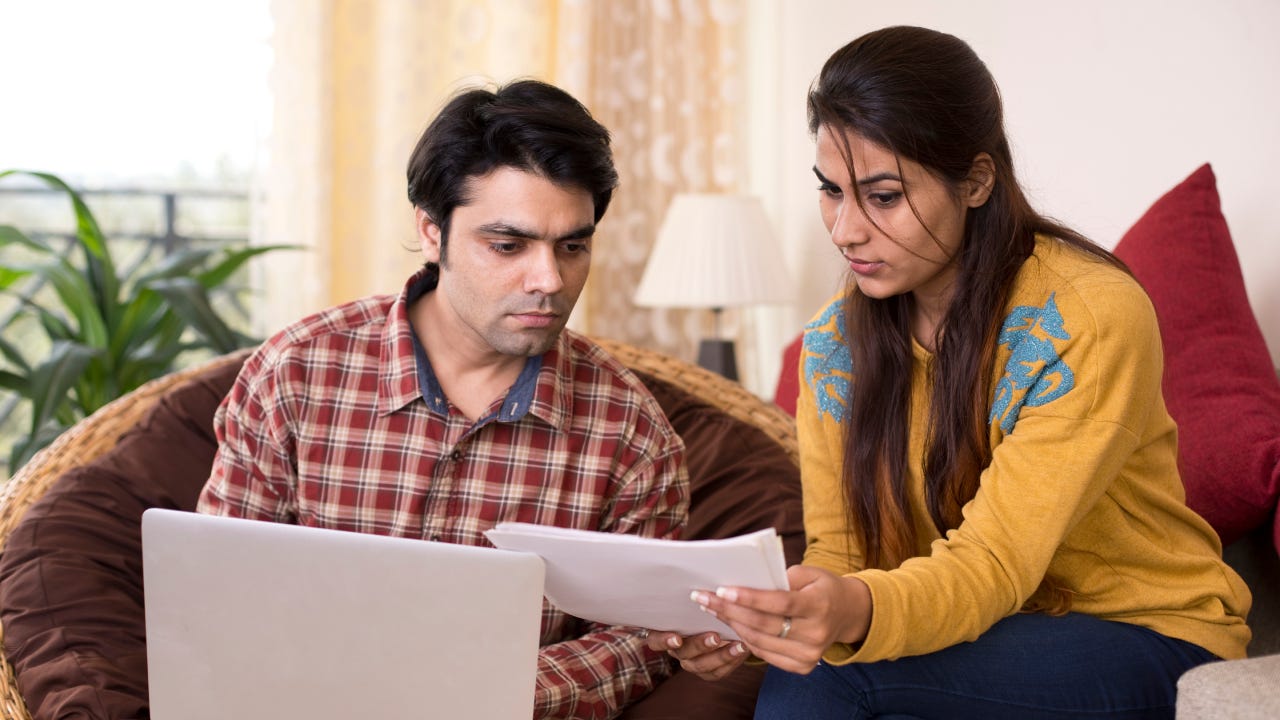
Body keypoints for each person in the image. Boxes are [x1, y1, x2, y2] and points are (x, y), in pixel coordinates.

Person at [645, 26, 1251, 719]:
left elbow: (994, 564)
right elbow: (843, 554)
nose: (845, 230)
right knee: (809, 672)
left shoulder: (1088, 316)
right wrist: (764, 626)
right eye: (831, 191)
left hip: (1145, 632)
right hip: (980, 630)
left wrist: (848, 616)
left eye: (882, 195)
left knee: (835, 681)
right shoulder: (833, 346)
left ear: (976, 181)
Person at [198, 79, 690, 720]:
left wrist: (474, 688)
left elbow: (640, 641)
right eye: (507, 245)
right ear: (432, 234)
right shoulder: (296, 375)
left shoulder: (630, 432)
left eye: (573, 245)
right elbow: (214, 588)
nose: (549, 280)